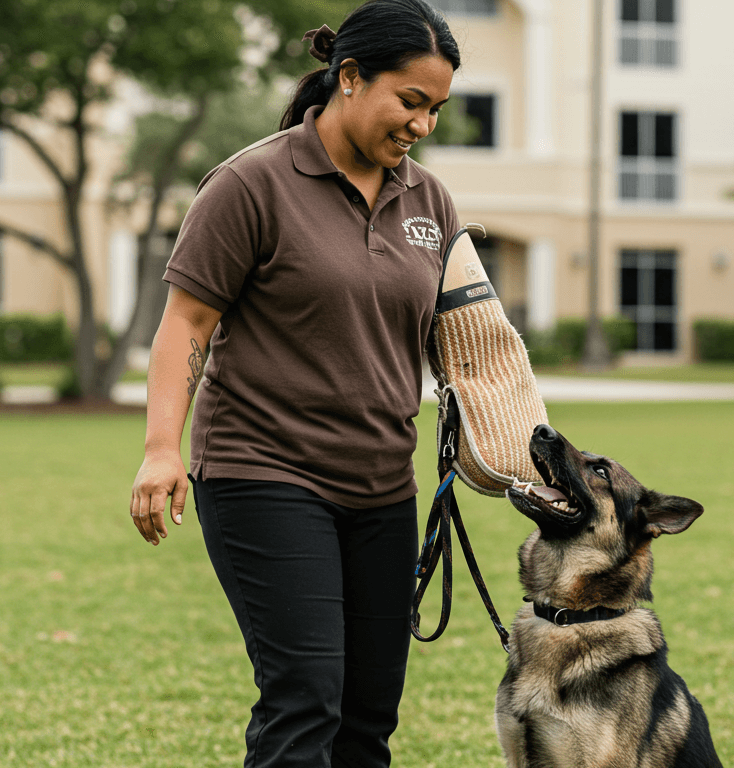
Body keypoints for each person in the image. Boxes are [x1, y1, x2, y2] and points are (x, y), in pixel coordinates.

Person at [127, 1, 461, 765]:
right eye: (411, 101)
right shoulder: (252, 184)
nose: (423, 126)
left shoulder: (430, 202)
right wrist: (158, 449)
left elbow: (454, 340)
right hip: (263, 471)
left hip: (382, 484)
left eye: (436, 109)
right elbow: (185, 326)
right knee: (305, 695)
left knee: (368, 717)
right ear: (350, 77)